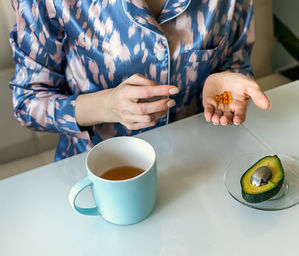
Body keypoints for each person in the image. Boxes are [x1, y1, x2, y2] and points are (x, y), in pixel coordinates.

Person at [9, 0, 270, 161]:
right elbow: (28, 102)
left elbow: (237, 59)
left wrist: (228, 78)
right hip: (99, 179)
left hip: (203, 164)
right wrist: (106, 105)